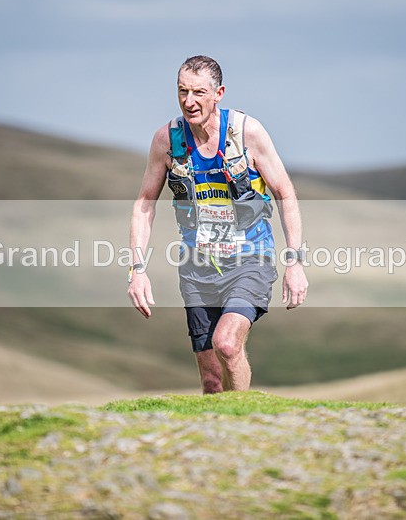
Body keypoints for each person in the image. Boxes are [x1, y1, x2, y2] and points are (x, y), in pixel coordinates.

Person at [128, 55, 308, 393]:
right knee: (211, 381)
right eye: (182, 91)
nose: (189, 101)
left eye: (198, 92)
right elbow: (144, 205)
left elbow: (285, 193)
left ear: (219, 93)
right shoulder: (167, 140)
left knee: (227, 343)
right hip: (196, 266)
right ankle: (221, 434)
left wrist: (295, 262)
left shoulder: (247, 133)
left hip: (250, 259)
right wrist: (137, 270)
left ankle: (242, 423)